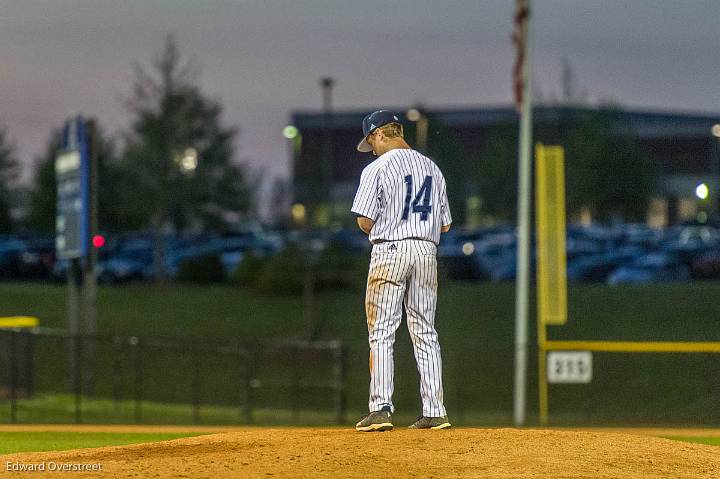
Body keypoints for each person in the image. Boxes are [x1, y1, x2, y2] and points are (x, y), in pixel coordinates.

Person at [351, 110, 452, 432]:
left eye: (372, 141)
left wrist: (389, 223)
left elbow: (364, 221)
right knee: (425, 330)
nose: (372, 148)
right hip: (426, 250)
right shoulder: (432, 168)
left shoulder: (377, 167)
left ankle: (380, 408)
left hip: (390, 249)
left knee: (381, 330)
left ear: (379, 134)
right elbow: (446, 224)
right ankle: (435, 411)